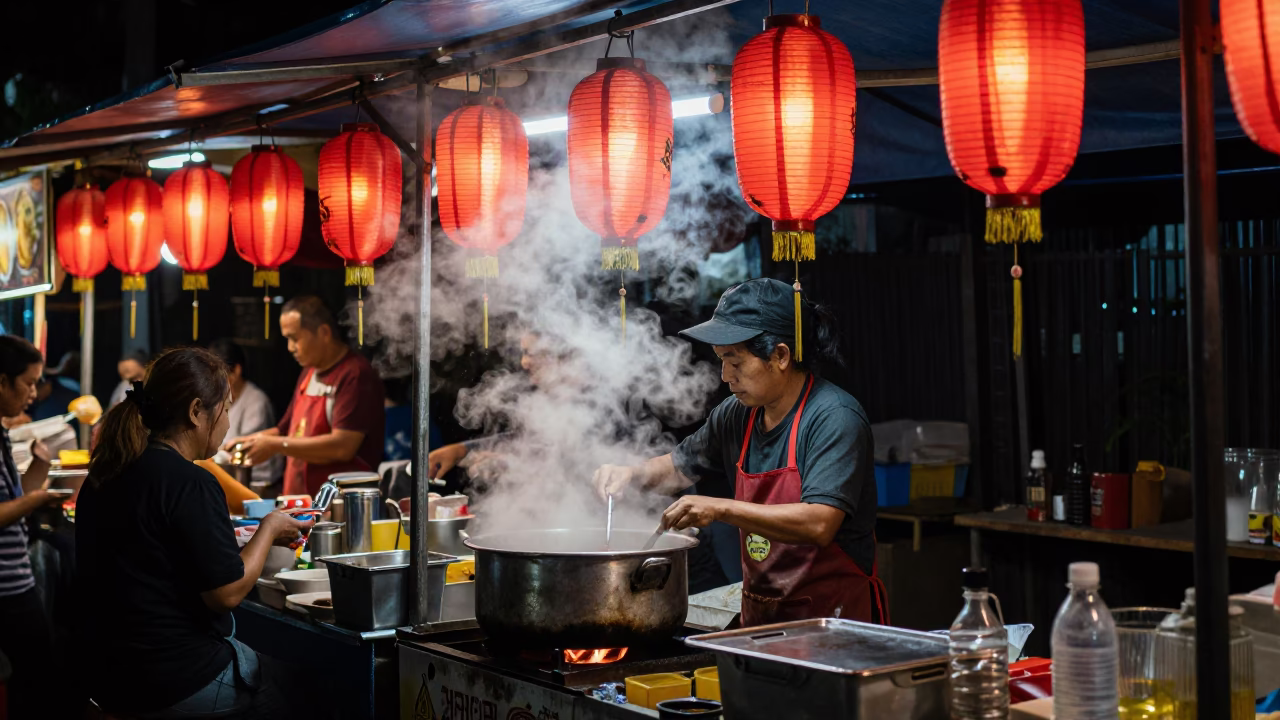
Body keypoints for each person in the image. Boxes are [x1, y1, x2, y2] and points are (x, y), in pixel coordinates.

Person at [594, 278, 885, 626]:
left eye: (735, 361)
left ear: (780, 355)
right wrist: (632, 473)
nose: (724, 376)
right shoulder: (737, 413)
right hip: (762, 617)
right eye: (721, 361)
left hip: (834, 623)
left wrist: (719, 508)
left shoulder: (833, 417)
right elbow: (677, 466)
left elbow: (819, 523)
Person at [75, 348, 314, 718]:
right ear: (195, 411)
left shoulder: (103, 475)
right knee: (304, 686)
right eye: (226, 409)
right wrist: (268, 529)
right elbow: (226, 594)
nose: (228, 423)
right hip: (173, 678)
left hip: (109, 675)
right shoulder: (191, 482)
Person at [226, 295, 385, 497]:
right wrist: (252, 440)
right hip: (301, 501)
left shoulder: (356, 374)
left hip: (339, 504)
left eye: (295, 338)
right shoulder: (309, 372)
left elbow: (343, 446)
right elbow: (285, 430)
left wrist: (275, 445)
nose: (290, 348)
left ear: (324, 332)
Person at [0, 335, 65, 719]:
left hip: (15, 581)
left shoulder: (2, 434)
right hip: (5, 588)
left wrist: (39, 469)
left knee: (35, 679)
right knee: (37, 684)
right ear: (2, 382)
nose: (33, 392)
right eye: (27, 382)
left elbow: (11, 500)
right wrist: (37, 500)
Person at [208, 338, 280, 490]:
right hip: (226, 481)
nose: (213, 381)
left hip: (258, 485)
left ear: (236, 371)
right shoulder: (216, 400)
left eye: (219, 374)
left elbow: (242, 451)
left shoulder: (256, 401)